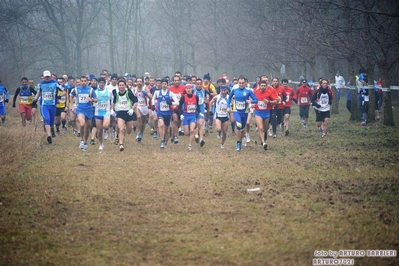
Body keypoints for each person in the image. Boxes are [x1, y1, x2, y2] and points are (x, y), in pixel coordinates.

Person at [227, 76, 258, 151]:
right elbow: (229, 98)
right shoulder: (234, 89)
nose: (241, 84)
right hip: (236, 111)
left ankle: (242, 138)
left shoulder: (248, 91)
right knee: (238, 124)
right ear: (238, 83)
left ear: (245, 83)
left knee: (242, 128)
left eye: (242, 83)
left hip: (245, 112)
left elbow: (256, 100)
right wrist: (228, 106)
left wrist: (250, 101)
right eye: (240, 83)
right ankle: (238, 142)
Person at [34, 70, 63, 144]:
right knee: (47, 118)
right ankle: (49, 136)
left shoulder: (55, 83)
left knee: (52, 120)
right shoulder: (40, 84)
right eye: (45, 77)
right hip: (44, 105)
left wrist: (59, 96)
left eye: (48, 76)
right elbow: (38, 93)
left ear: (50, 77)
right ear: (43, 77)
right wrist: (34, 101)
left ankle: (52, 129)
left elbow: (63, 90)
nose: (47, 78)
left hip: (52, 105)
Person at [70, 76, 98, 151]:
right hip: (80, 109)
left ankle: (85, 142)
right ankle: (81, 140)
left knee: (87, 129)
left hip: (89, 110)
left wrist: (91, 99)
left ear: (87, 82)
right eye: (82, 81)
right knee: (82, 124)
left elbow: (96, 99)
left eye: (85, 81)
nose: (83, 82)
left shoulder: (91, 90)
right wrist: (72, 106)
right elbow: (71, 96)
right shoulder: (76, 89)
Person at [111, 79, 139, 151]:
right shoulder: (116, 95)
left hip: (128, 113)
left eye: (122, 85)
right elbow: (113, 103)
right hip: (120, 113)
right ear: (118, 86)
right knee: (121, 128)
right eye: (120, 85)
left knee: (129, 131)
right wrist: (112, 110)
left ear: (125, 86)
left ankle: (121, 136)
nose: (121, 86)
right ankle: (121, 145)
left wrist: (132, 109)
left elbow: (135, 102)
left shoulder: (129, 93)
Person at [152, 78, 179, 148]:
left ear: (167, 85)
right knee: (161, 125)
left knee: (167, 129)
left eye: (165, 84)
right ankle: (161, 141)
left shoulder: (170, 93)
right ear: (161, 85)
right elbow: (153, 98)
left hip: (168, 113)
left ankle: (165, 142)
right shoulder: (157, 92)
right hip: (160, 112)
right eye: (163, 84)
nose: (164, 85)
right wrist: (153, 105)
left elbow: (177, 102)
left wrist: (171, 103)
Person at [253, 80, 278, 150]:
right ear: (259, 86)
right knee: (260, 128)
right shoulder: (255, 92)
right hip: (258, 112)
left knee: (265, 128)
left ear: (266, 86)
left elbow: (276, 101)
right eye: (262, 86)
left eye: (264, 86)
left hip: (267, 112)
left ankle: (262, 140)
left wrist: (269, 102)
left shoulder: (269, 92)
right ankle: (264, 143)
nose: (263, 87)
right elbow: (251, 99)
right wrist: (251, 104)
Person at [178, 84, 199, 151]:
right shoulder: (183, 97)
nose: (188, 89)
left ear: (192, 89)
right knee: (186, 133)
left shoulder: (196, 97)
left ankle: (190, 145)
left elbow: (197, 106)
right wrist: (181, 114)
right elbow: (179, 107)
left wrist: (200, 112)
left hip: (193, 115)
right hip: (185, 115)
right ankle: (191, 134)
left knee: (192, 130)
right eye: (187, 88)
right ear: (185, 90)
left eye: (189, 88)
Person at [94, 77, 113, 150]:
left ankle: (106, 132)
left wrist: (112, 109)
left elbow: (112, 100)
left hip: (106, 112)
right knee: (99, 130)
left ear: (105, 84)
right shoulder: (95, 92)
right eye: (100, 83)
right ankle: (101, 144)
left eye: (103, 83)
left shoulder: (109, 91)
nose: (101, 84)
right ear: (98, 83)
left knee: (105, 126)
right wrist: (92, 100)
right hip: (98, 112)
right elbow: (93, 100)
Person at [133, 77, 152, 142]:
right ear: (136, 82)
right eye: (138, 81)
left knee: (143, 122)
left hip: (145, 106)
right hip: (137, 106)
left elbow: (151, 97)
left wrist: (146, 94)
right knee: (138, 117)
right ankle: (139, 133)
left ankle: (141, 134)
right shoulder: (134, 89)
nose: (139, 83)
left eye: (140, 81)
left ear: (142, 82)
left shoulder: (145, 88)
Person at [169, 75, 186, 143]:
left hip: (181, 108)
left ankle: (173, 136)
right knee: (175, 120)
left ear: (180, 81)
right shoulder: (170, 88)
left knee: (178, 123)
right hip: (173, 108)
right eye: (175, 80)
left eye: (177, 80)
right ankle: (176, 137)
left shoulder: (183, 88)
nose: (176, 82)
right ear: (173, 81)